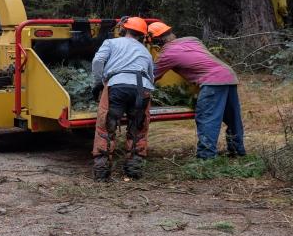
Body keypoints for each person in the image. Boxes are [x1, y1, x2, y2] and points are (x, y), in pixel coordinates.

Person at [148, 22, 246, 159]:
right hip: (228, 75)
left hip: (212, 81)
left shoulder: (167, 54)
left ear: (156, 40)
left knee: (207, 118)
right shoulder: (193, 40)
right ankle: (237, 150)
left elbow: (151, 76)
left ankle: (206, 157)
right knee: (232, 118)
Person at [90, 16, 155, 182]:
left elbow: (98, 60)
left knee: (106, 127)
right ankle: (134, 169)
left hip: (117, 85)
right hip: (142, 88)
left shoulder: (111, 43)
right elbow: (151, 76)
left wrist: (100, 81)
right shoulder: (145, 51)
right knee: (138, 128)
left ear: (123, 29)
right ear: (141, 34)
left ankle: (102, 172)